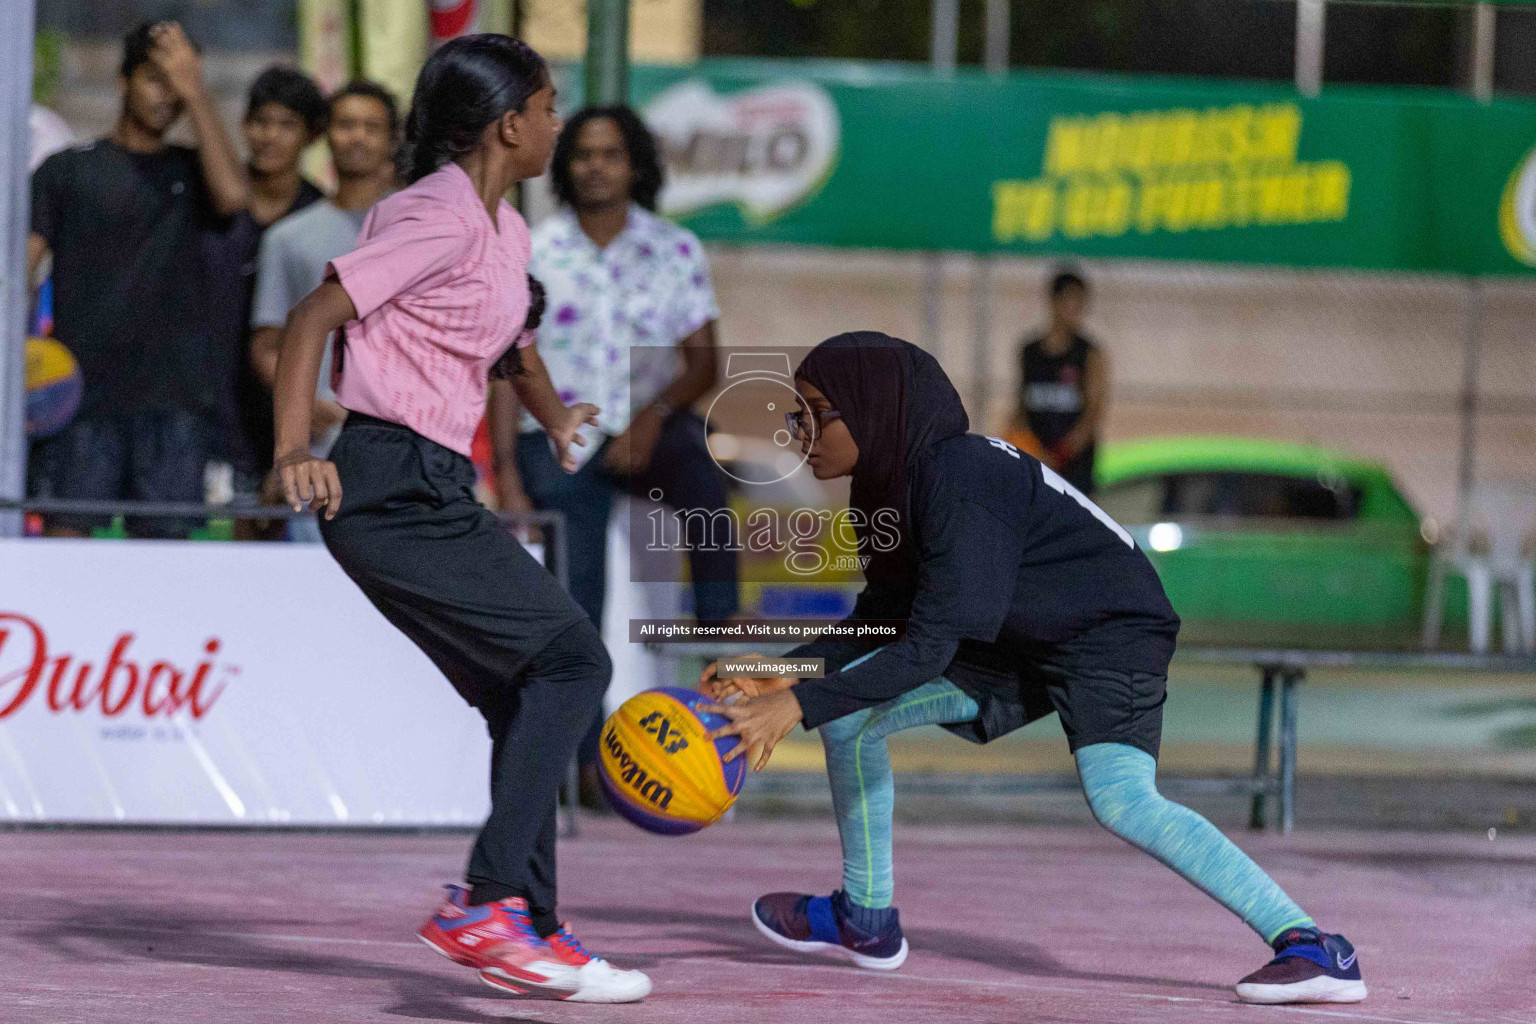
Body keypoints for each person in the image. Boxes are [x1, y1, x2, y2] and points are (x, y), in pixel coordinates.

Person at [700, 333, 1367, 1006]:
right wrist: (776, 674)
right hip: (1015, 636)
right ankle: (866, 920)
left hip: (1111, 631)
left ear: (874, 408)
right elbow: (882, 619)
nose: (799, 433)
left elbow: (926, 648)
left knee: (1123, 800)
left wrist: (797, 703)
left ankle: (1315, 948)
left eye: (814, 412)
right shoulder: (885, 490)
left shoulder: (957, 474)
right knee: (851, 719)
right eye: (795, 415)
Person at [269, 35, 648, 1003]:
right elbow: (313, 319)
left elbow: (510, 344)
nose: (560, 124)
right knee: (574, 660)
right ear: (509, 124)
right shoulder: (432, 216)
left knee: (527, 691)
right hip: (386, 484)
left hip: (436, 481)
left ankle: (536, 931)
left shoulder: (505, 224)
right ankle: (487, 905)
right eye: (550, 106)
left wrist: (559, 417)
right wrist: (291, 452)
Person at [488, 104, 738, 805]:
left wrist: (653, 418)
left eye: (611, 154)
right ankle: (593, 766)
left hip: (648, 430)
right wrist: (506, 472)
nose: (596, 166)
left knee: (705, 474)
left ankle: (722, 646)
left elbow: (704, 361)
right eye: (583, 154)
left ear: (636, 166)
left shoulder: (674, 248)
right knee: (579, 602)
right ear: (565, 166)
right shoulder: (534, 249)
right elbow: (508, 363)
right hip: (560, 440)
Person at [26, 21, 248, 540]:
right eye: (156, 79)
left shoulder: (197, 170)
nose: (167, 95)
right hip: (78, 399)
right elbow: (20, 268)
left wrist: (197, 92)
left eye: (180, 82)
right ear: (124, 79)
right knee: (64, 546)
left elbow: (235, 199)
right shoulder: (66, 171)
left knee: (166, 561)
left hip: (176, 406)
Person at [250, 80, 399, 542]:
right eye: (346, 124)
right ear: (326, 136)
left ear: (393, 141)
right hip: (318, 455)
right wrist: (305, 409)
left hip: (407, 446)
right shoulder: (288, 237)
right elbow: (266, 345)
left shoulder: (420, 231)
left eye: (371, 127)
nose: (357, 137)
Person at [206, 66, 328, 527]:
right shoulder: (212, 202)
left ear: (311, 136)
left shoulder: (318, 218)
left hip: (289, 417)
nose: (269, 137)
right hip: (213, 407)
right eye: (260, 122)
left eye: (286, 125)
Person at [1012, 268, 1108, 495]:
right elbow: (1021, 408)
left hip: (1075, 470)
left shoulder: (1089, 354)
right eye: (1070, 301)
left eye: (1080, 303)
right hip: (1036, 465)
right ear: (1054, 302)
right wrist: (1029, 449)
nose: (1076, 311)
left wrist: (1061, 454)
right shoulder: (1030, 352)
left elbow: (1093, 413)